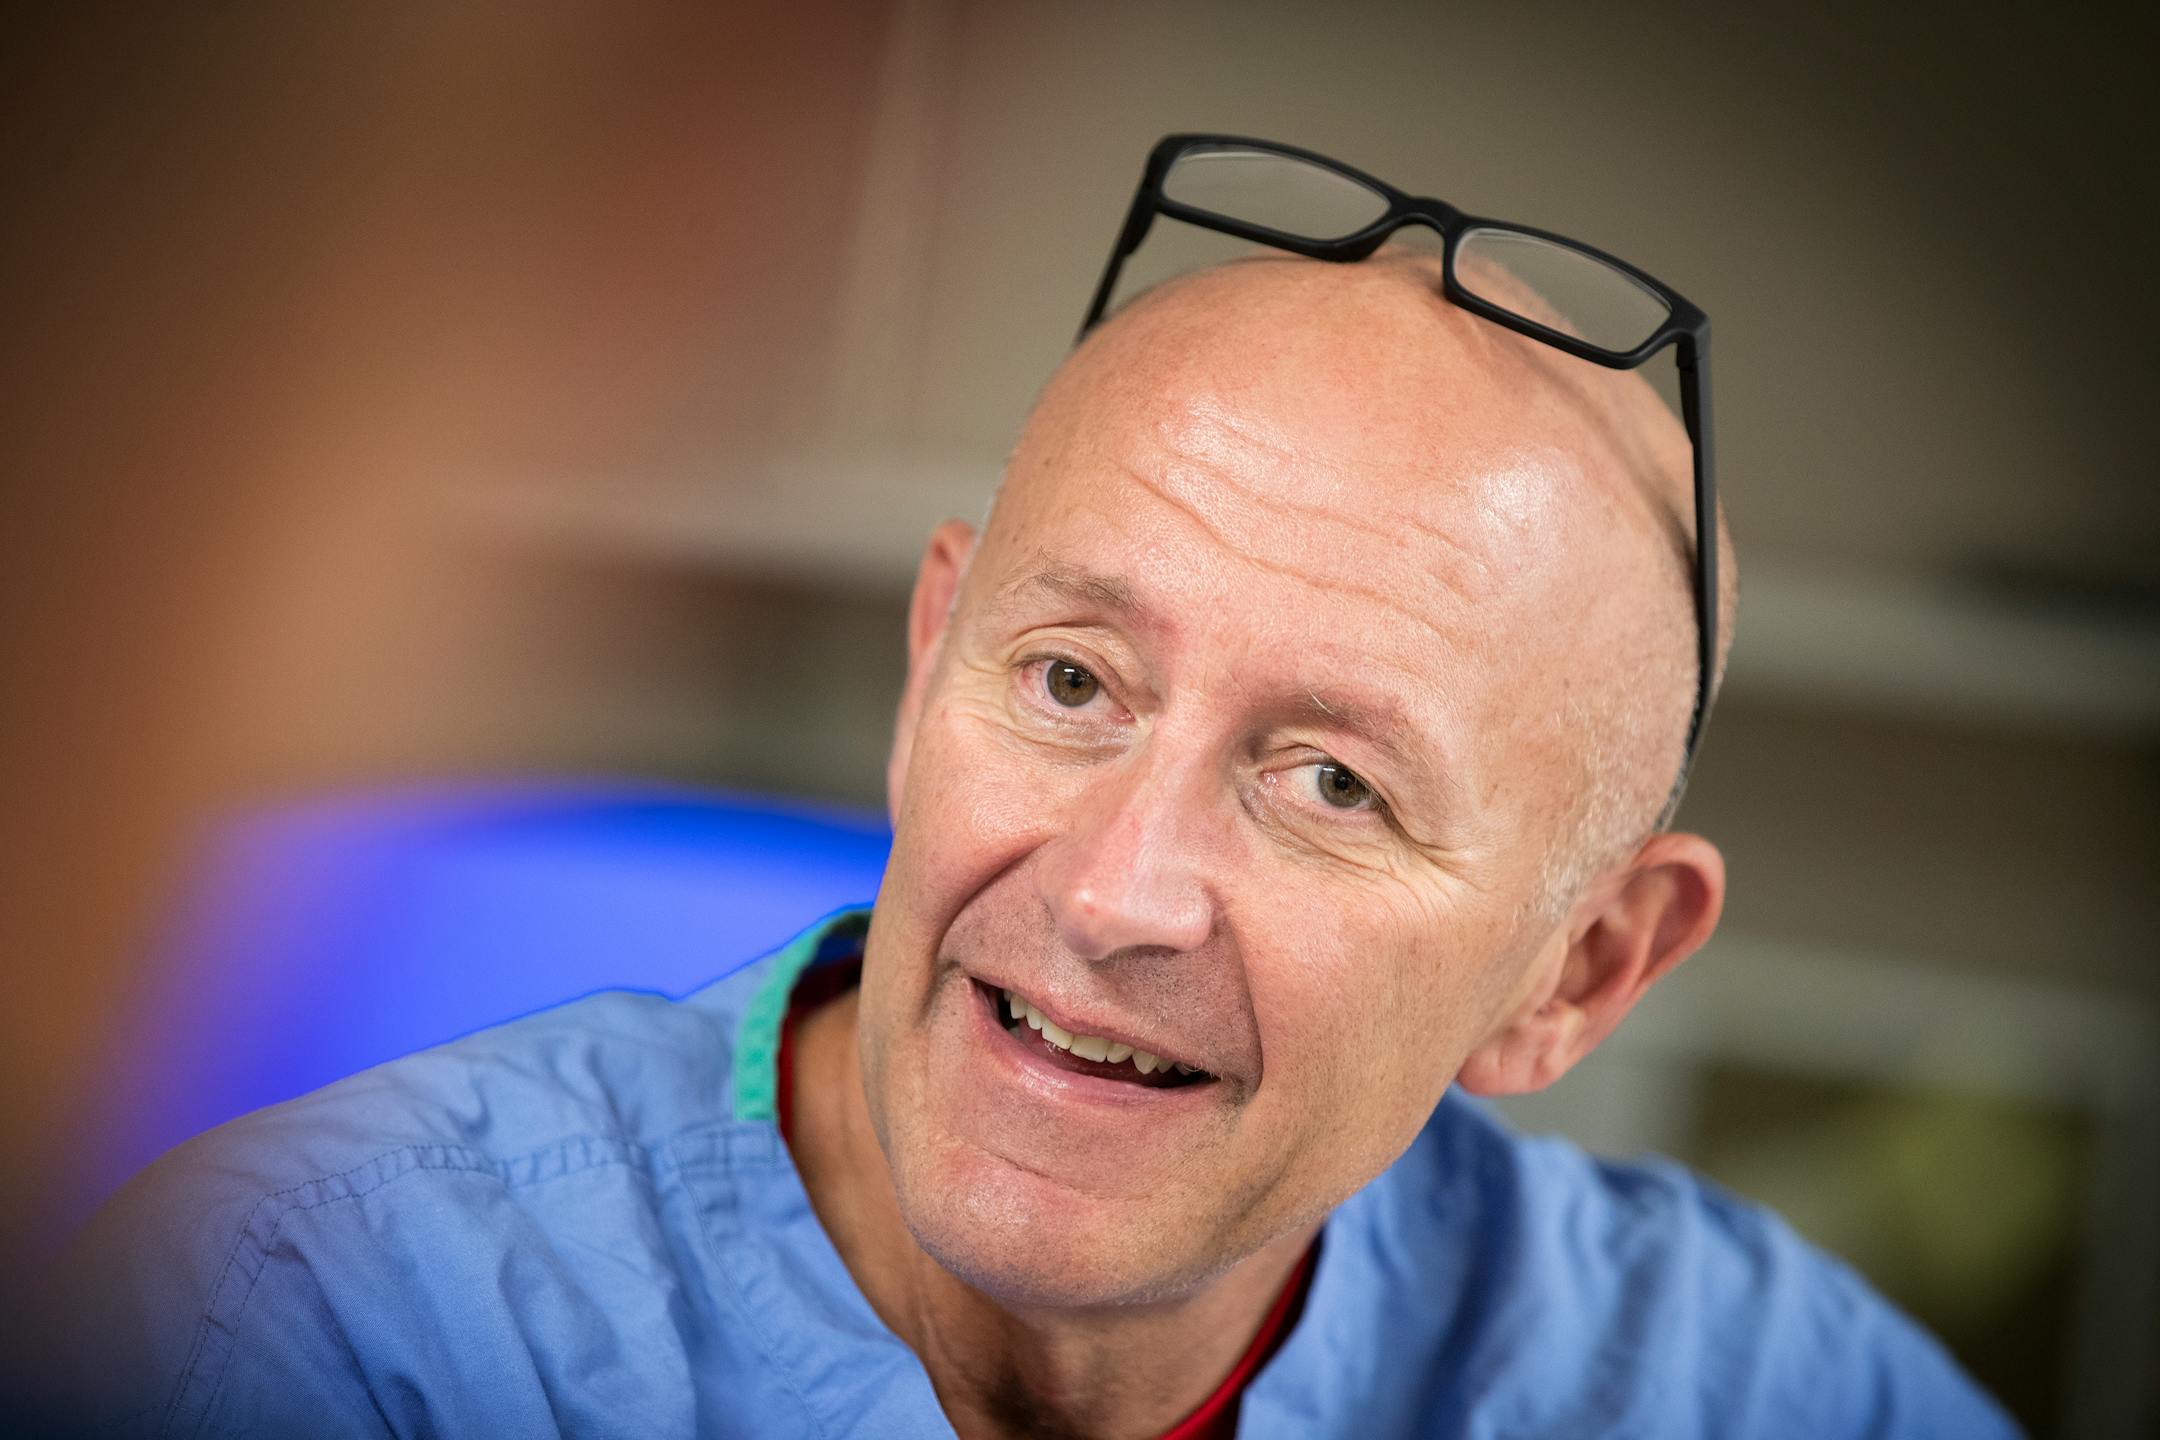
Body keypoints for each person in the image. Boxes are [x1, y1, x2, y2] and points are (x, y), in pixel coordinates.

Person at [33, 186, 2018, 1437]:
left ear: (1578, 970)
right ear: (930, 671)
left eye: (1332, 783)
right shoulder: (304, 1333)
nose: (1120, 891)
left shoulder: (1723, 1377)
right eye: (1071, 684)